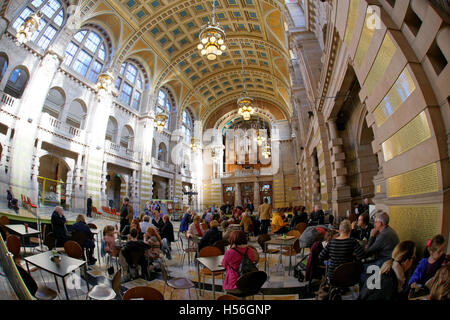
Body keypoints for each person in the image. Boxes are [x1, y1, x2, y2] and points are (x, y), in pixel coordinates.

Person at [318, 220, 365, 284]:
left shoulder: (332, 242)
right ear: (349, 230)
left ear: (339, 230)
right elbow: (362, 256)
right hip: (348, 276)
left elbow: (321, 256)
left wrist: (332, 257)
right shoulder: (352, 241)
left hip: (333, 276)